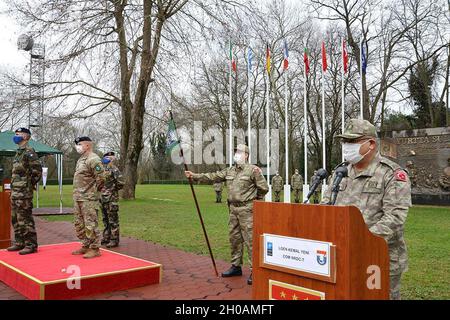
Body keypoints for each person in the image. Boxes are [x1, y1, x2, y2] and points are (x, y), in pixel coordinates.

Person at [322, 118, 411, 300]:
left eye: (352, 141)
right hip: (339, 255)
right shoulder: (340, 173)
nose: (346, 146)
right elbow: (326, 208)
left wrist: (360, 241)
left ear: (371, 144)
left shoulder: (391, 174)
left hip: (378, 258)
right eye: (344, 141)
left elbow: (395, 217)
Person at [185, 144, 268, 285]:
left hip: (247, 210)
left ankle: (256, 270)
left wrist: (254, 201)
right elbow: (213, 176)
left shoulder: (253, 170)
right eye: (235, 151)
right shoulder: (229, 171)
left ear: (246, 155)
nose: (236, 154)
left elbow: (263, 188)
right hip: (233, 210)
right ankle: (236, 266)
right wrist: (194, 176)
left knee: (250, 241)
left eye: (239, 152)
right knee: (234, 238)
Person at [7, 128, 42, 255]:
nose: (15, 136)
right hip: (15, 191)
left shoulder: (29, 152)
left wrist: (27, 185)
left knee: (25, 218)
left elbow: (37, 172)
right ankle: (19, 242)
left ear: (26, 137)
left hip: (23, 192)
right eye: (15, 134)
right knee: (15, 218)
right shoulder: (18, 152)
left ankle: (31, 244)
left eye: (18, 134)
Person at [72, 137, 106, 258]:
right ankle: (85, 245)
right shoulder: (81, 159)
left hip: (88, 198)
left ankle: (95, 248)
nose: (78, 147)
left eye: (80, 144)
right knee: (79, 223)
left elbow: (101, 178)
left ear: (87, 145)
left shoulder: (94, 159)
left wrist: (93, 191)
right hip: (78, 197)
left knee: (90, 223)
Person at [100, 151, 124, 248]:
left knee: (113, 220)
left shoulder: (114, 169)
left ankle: (114, 240)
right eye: (108, 157)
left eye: (111, 157)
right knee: (105, 219)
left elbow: (121, 183)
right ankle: (106, 237)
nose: (110, 158)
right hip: (102, 198)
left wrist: (112, 190)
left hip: (111, 199)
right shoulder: (101, 169)